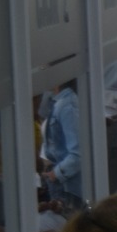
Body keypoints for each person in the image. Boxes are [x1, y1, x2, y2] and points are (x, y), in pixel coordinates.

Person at [41, 80, 83, 209]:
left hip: (66, 186)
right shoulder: (58, 102)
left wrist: (56, 174)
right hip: (58, 183)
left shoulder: (68, 105)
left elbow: (78, 153)